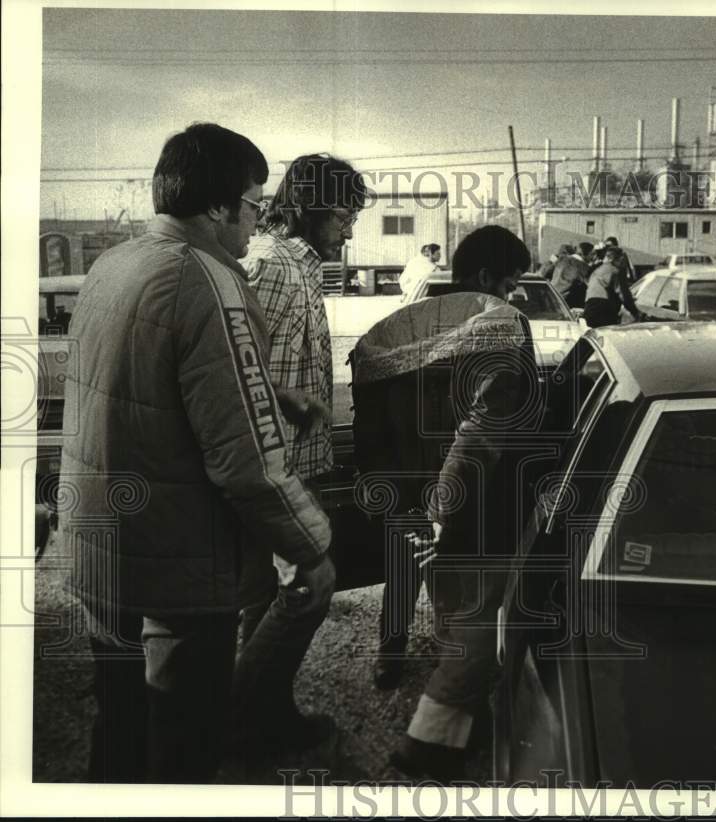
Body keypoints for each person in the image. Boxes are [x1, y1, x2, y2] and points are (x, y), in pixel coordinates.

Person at [60, 123, 334, 783]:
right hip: (178, 563)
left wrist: (269, 389)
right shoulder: (211, 279)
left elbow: (152, 381)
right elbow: (248, 462)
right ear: (218, 207)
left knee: (121, 725)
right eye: (253, 205)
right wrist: (311, 542)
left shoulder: (115, 264)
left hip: (101, 543)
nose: (256, 222)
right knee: (183, 746)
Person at [351, 225, 542, 779]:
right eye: (509, 282)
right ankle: (428, 743)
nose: (514, 295)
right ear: (485, 278)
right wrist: (445, 507)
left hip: (411, 495)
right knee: (479, 617)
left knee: (449, 606)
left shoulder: (392, 330)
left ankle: (463, 722)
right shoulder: (502, 327)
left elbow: (371, 429)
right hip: (475, 502)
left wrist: (395, 501)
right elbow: (484, 432)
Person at [233, 153, 368, 750]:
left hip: (290, 462)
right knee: (311, 586)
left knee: (262, 596)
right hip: (269, 467)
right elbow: (230, 363)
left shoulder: (304, 265)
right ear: (310, 207)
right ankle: (241, 712)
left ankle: (261, 714)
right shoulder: (271, 264)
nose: (349, 228)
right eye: (342, 214)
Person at [584, 245, 645, 328]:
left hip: (589, 308)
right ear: (617, 259)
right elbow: (624, 295)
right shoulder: (615, 271)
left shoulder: (597, 270)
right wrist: (636, 313)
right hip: (604, 309)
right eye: (622, 260)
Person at [550, 243, 589, 308]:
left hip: (552, 296)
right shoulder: (583, 266)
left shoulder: (560, 261)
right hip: (565, 301)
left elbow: (542, 274)